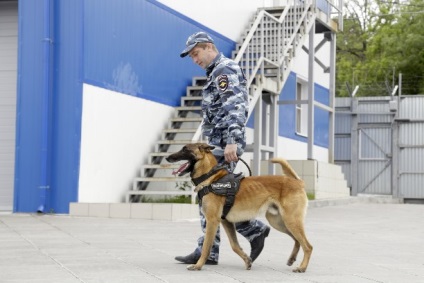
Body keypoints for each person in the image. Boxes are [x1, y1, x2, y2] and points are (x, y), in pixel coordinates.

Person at [176, 31, 270, 265]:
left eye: (196, 54)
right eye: (191, 57)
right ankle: (217, 248)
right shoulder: (214, 72)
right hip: (215, 143)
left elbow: (236, 107)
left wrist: (232, 142)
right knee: (213, 198)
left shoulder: (224, 69)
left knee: (213, 198)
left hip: (222, 145)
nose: (195, 60)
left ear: (209, 47)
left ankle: (221, 246)